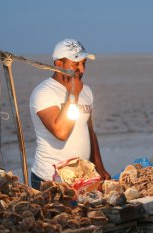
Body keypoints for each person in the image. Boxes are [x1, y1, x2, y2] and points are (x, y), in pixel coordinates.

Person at [29, 39, 111, 190]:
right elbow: (61, 132)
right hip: (49, 180)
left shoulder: (85, 90)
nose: (82, 69)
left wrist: (99, 167)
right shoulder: (44, 92)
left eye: (84, 63)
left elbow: (90, 131)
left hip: (82, 178)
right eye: (76, 64)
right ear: (59, 64)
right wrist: (73, 95)